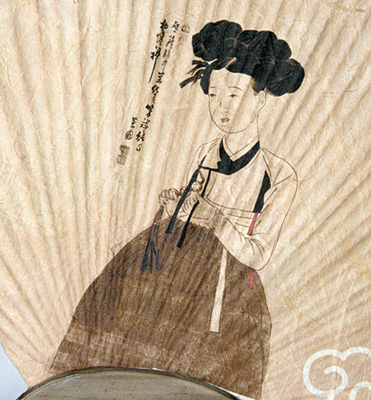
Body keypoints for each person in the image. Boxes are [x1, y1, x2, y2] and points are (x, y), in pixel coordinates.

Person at [50, 20, 304, 399]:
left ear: (260, 97)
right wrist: (178, 209)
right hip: (172, 273)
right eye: (214, 94)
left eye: (234, 94)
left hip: (229, 288)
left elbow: (259, 254)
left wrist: (213, 217)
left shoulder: (278, 173)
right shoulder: (205, 152)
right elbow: (186, 219)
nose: (222, 106)